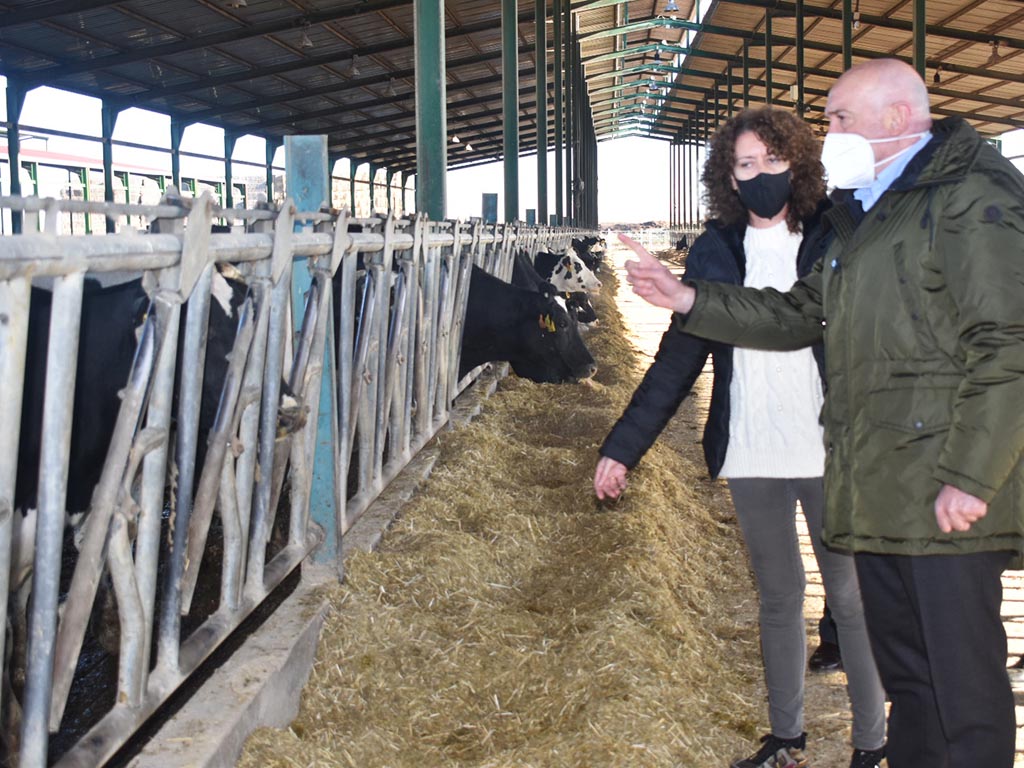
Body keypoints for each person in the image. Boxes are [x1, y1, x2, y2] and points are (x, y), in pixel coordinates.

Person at [620, 58, 1024, 768]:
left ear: (895, 118)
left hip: (944, 487)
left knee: (961, 692)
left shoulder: (969, 195)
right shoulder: (868, 214)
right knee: (915, 687)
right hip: (886, 485)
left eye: (839, 118)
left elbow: (1009, 341)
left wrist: (971, 474)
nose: (829, 133)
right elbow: (802, 312)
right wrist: (687, 299)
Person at [594, 107, 886, 768]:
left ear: (798, 164)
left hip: (830, 447)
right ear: (729, 177)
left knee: (849, 598)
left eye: (773, 161)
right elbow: (678, 359)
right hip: (752, 446)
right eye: (746, 164)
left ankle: (872, 742)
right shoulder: (716, 250)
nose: (761, 175)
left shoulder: (833, 236)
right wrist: (621, 448)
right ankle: (787, 736)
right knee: (778, 597)